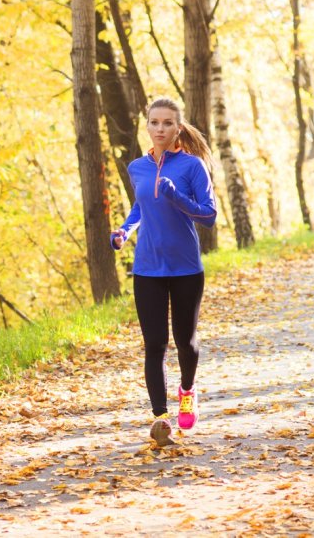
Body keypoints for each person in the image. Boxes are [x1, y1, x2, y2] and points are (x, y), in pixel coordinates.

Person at [110, 98, 217, 446]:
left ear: (178, 128)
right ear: (147, 126)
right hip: (147, 268)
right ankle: (160, 419)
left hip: (186, 267)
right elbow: (141, 206)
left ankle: (187, 391)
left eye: (167, 123)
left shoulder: (193, 167)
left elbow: (209, 215)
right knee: (154, 344)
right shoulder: (137, 167)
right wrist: (124, 231)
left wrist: (177, 198)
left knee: (185, 342)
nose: (160, 129)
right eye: (154, 123)